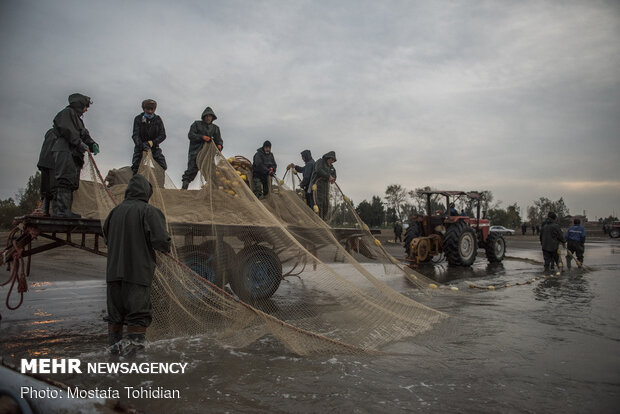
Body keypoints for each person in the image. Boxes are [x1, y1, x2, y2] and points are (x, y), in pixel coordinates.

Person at [103, 174, 171, 356]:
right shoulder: (149, 211)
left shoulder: (114, 213)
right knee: (138, 316)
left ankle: (114, 358)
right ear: (146, 192)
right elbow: (161, 240)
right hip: (137, 274)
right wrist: (166, 248)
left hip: (113, 276)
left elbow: (107, 238)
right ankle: (134, 366)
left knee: (115, 317)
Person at [51, 93, 99, 218]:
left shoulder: (78, 119)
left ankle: (65, 210)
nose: (86, 109)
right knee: (64, 180)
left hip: (72, 152)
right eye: (85, 106)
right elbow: (69, 131)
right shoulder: (66, 113)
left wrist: (92, 143)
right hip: (65, 150)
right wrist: (80, 144)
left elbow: (83, 133)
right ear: (80, 105)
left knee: (70, 181)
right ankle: (62, 211)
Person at [181, 107, 222, 190]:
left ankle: (213, 191)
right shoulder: (196, 124)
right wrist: (202, 137)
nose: (208, 118)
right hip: (195, 152)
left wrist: (220, 146)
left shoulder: (215, 128)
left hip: (208, 154)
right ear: (203, 117)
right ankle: (184, 188)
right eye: (206, 116)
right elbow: (191, 135)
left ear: (212, 117)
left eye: (210, 116)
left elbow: (219, 140)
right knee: (191, 170)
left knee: (211, 172)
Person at [131, 99, 167, 175]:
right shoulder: (138, 119)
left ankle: (159, 184)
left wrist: (152, 143)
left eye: (152, 109)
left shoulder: (158, 119)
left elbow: (163, 135)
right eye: (148, 109)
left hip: (154, 147)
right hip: (140, 147)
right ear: (144, 109)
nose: (150, 111)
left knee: (162, 165)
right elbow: (135, 135)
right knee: (136, 166)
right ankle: (135, 183)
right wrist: (141, 145)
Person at [309, 151, 337, 220]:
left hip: (325, 186)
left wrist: (333, 178)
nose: (332, 161)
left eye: (333, 160)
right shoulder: (320, 162)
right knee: (319, 203)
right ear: (328, 157)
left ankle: (323, 220)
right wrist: (328, 176)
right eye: (332, 159)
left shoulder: (331, 167)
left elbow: (334, 174)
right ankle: (318, 220)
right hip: (317, 186)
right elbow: (318, 170)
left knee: (325, 204)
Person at [37, 129, 57, 216]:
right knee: (55, 188)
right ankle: (55, 212)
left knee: (45, 188)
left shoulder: (49, 131)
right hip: (53, 162)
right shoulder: (61, 132)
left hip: (43, 161)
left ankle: (44, 211)